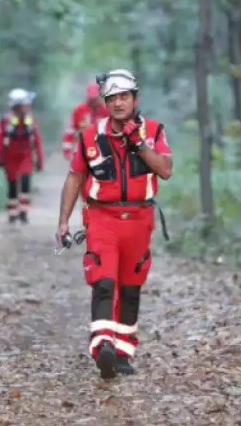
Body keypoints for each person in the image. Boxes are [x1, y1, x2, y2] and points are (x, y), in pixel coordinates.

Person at [55, 69, 173, 379]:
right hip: (102, 217)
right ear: (104, 102)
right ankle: (102, 345)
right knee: (103, 281)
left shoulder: (154, 130)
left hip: (139, 219)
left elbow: (165, 170)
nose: (119, 103)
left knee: (131, 288)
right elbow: (75, 176)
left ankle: (123, 352)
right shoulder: (90, 135)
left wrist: (139, 144)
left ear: (135, 99)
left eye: (124, 97)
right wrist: (63, 220)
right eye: (113, 98)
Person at [0, 88, 44, 224]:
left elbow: (37, 140)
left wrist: (39, 159)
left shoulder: (30, 120)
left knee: (26, 181)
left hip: (25, 155)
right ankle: (12, 212)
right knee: (12, 184)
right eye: (25, 105)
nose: (27, 107)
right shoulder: (6, 121)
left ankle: (23, 211)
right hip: (10, 156)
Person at [61, 81, 109, 161]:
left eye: (95, 99)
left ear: (100, 96)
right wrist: (67, 150)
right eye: (91, 99)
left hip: (101, 150)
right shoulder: (79, 110)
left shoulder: (106, 111)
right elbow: (71, 131)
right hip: (82, 148)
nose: (93, 101)